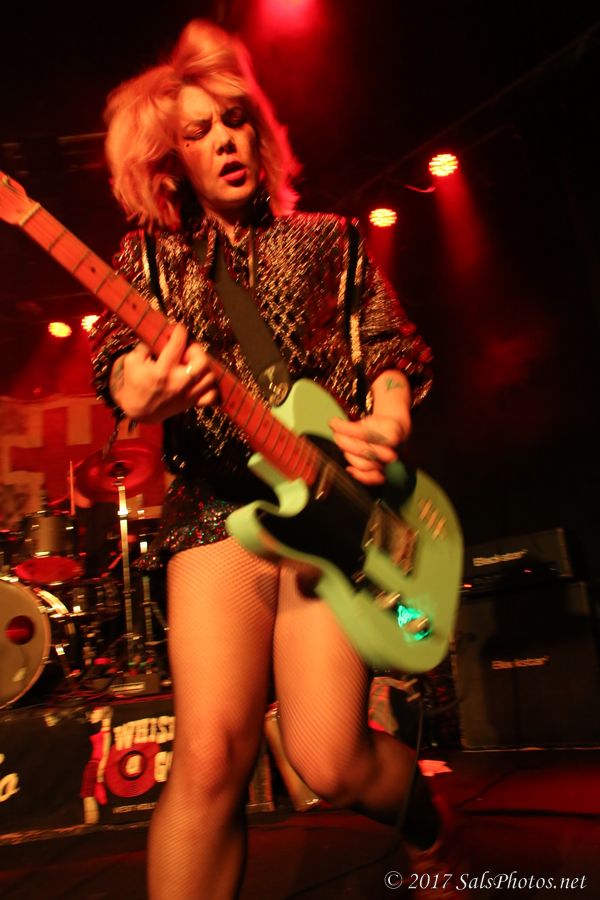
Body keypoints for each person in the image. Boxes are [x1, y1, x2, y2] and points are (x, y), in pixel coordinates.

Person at [90, 19, 446, 899]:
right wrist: (142, 389)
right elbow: (118, 366)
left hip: (334, 510)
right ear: (172, 160)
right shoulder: (151, 260)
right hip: (217, 512)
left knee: (329, 759)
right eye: (199, 131)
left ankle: (429, 823)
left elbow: (391, 346)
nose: (225, 140)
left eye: (235, 120)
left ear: (259, 132)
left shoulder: (330, 238)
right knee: (211, 755)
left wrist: (389, 414)